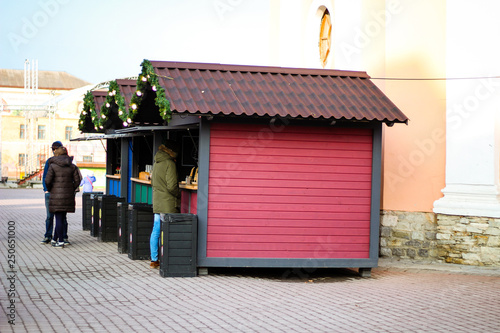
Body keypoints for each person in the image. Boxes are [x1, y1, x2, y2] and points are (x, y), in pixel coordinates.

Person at [150, 140, 180, 268]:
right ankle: (168, 257)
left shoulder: (157, 162)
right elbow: (172, 185)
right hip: (168, 202)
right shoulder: (169, 163)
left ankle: (154, 259)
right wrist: (179, 194)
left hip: (157, 201)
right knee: (169, 231)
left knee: (156, 230)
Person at [45, 146, 82, 248]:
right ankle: (54, 239)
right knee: (61, 217)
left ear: (57, 153)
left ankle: (60, 241)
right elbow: (78, 180)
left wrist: (51, 188)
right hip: (68, 195)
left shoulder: (52, 166)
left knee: (58, 218)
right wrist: (71, 188)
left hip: (55, 195)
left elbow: (47, 180)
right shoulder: (72, 166)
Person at [41, 141, 68, 244]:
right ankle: (48, 235)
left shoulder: (67, 162)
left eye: (56, 148)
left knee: (62, 217)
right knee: (50, 216)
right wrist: (46, 189)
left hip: (61, 192)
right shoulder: (50, 161)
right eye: (53, 149)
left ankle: (63, 236)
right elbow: (45, 177)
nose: (54, 150)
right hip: (51, 192)